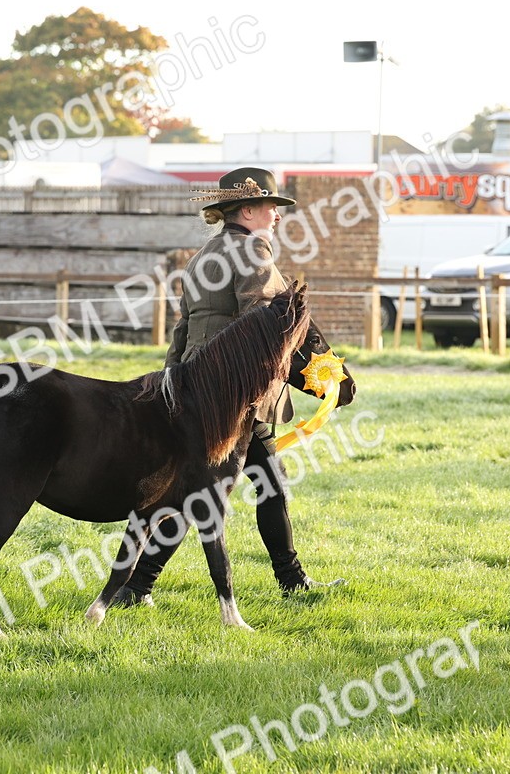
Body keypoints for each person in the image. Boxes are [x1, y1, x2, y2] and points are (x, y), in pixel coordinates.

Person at [110, 167, 355, 607]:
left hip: (190, 388)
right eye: (270, 208)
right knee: (252, 487)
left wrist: (172, 383)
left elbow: (183, 330)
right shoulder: (254, 247)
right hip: (234, 397)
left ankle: (137, 586)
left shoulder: (202, 254)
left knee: (203, 489)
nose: (276, 217)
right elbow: (260, 325)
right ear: (247, 210)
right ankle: (290, 581)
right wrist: (310, 376)